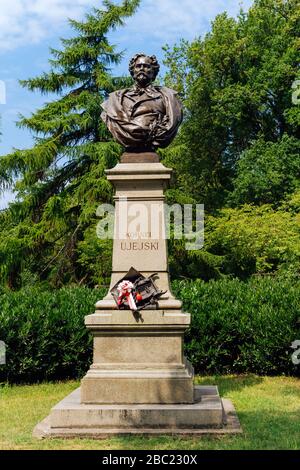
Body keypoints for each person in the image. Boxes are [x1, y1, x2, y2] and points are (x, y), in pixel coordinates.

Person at [101, 53, 183, 152]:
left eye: (146, 66)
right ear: (132, 71)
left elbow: (172, 121)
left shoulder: (167, 97)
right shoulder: (116, 99)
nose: (142, 69)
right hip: (126, 141)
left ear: (154, 72)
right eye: (138, 66)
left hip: (154, 142)